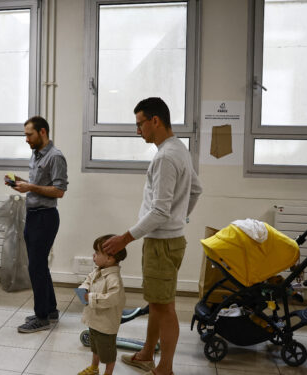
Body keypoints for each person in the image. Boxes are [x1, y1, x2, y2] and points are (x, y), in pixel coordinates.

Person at [102, 97, 202, 375]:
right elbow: (196, 190)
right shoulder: (179, 148)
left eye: (140, 124)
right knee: (157, 303)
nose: (138, 131)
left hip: (161, 242)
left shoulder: (166, 157)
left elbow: (159, 210)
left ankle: (165, 368)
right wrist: (180, 217)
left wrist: (125, 238)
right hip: (170, 240)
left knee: (164, 306)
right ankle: (147, 354)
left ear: (155, 121)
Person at [6, 116, 68, 333]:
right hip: (33, 215)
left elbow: (59, 190)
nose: (26, 139)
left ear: (42, 132)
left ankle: (41, 317)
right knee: (39, 265)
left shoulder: (55, 157)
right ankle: (50, 309)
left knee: (36, 267)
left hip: (45, 217)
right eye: (25, 134)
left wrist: (30, 187)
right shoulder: (36, 154)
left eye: (29, 134)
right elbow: (39, 185)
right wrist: (23, 184)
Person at [78, 234, 127, 375]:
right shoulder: (97, 270)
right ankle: (94, 368)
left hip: (106, 325)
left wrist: (90, 297)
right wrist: (84, 288)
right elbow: (88, 280)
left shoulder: (113, 279)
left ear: (110, 258)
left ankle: (108, 372)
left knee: (108, 353)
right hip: (94, 320)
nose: (94, 255)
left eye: (97, 253)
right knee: (95, 347)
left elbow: (112, 298)